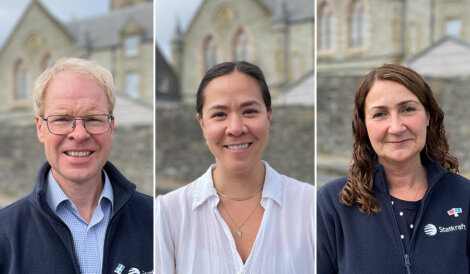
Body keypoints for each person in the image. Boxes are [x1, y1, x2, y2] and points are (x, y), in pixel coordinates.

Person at [155, 61, 315, 273]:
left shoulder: (312, 207)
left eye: (249, 111)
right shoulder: (168, 214)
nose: (236, 128)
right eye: (220, 114)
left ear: (269, 117)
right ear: (202, 124)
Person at [0, 58, 153, 273]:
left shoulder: (159, 220)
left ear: (111, 128)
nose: (79, 134)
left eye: (93, 119)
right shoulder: (5, 234)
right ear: (40, 129)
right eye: (62, 119)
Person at [317, 64, 470, 273]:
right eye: (380, 114)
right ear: (364, 125)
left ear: (428, 115)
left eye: (408, 109)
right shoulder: (331, 203)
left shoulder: (465, 196)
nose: (396, 128)